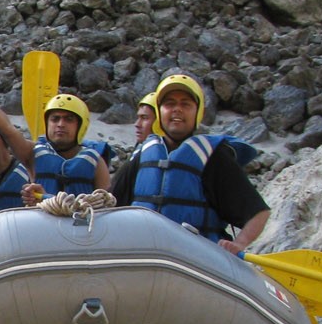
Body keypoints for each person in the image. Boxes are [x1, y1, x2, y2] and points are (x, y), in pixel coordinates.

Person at [112, 74, 270, 254]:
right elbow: (110, 203)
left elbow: (259, 213)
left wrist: (240, 244)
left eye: (185, 104)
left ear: (198, 112)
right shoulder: (143, 155)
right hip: (144, 252)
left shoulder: (213, 156)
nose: (177, 109)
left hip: (196, 260)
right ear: (160, 111)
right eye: (169, 104)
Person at [21, 93, 110, 206]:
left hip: (80, 220)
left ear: (80, 126)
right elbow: (8, 132)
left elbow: (106, 203)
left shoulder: (95, 161)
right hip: (41, 220)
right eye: (55, 119)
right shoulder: (32, 154)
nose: (60, 124)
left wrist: (45, 197)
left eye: (69, 119)